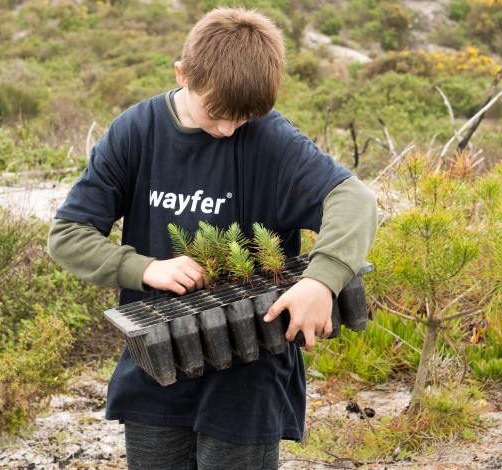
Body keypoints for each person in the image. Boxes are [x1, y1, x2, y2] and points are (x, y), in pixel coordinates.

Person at [47, 6, 377, 469]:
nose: (227, 130)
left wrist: (322, 281)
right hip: (155, 371)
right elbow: (68, 234)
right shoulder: (135, 134)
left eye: (242, 119)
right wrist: (144, 268)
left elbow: (354, 200)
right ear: (183, 74)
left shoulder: (271, 140)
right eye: (218, 113)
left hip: (249, 375)